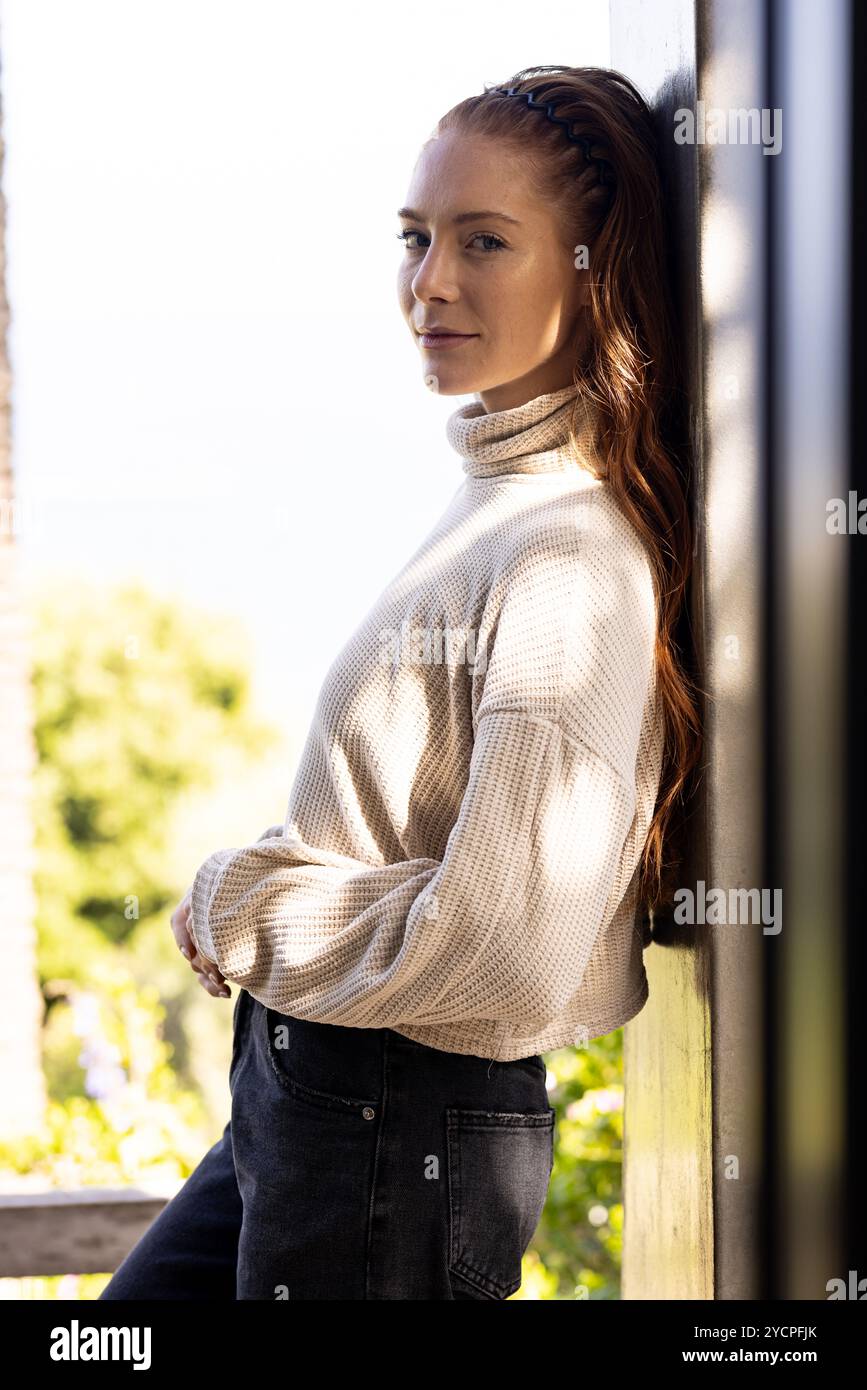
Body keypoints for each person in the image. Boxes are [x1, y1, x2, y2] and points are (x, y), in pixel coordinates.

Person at [100, 63, 701, 1302]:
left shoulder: (568, 554)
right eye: (417, 238)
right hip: (320, 1097)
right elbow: (397, 812)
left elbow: (501, 955)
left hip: (396, 1116)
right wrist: (265, 891)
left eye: (485, 241)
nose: (431, 283)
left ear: (597, 264)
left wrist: (247, 910)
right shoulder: (493, 509)